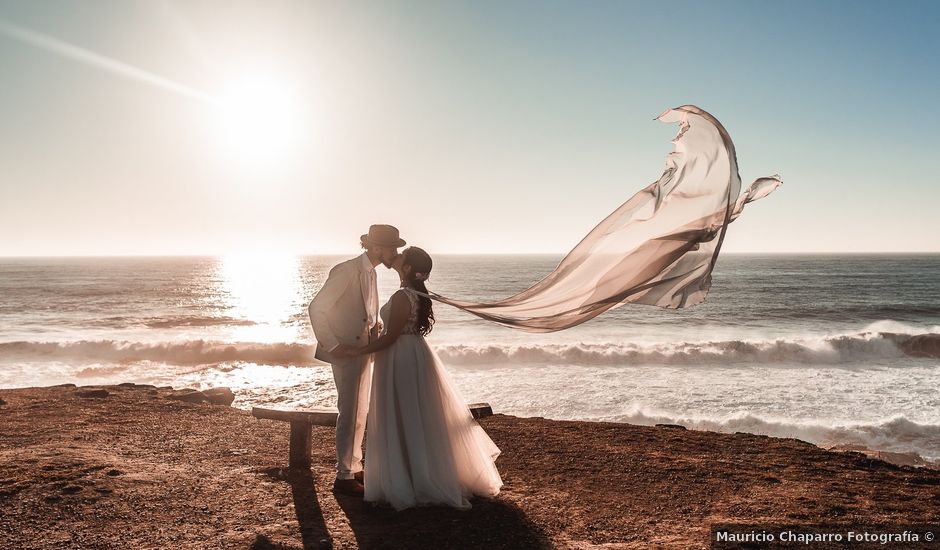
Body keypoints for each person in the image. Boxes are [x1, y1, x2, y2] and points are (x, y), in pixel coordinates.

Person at [334, 246, 503, 510]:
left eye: (403, 257)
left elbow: (391, 337)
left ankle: (411, 479)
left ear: (410, 268)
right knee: (414, 415)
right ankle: (414, 473)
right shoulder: (413, 294)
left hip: (400, 357)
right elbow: (396, 330)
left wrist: (358, 350)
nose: (398, 257)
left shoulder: (404, 296)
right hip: (410, 353)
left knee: (404, 414)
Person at [308, 224, 403, 496]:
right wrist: (334, 345)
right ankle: (343, 475)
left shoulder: (370, 273)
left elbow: (364, 313)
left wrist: (375, 329)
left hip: (363, 352)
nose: (395, 253)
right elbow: (317, 307)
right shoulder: (346, 270)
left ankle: (354, 466)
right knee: (349, 411)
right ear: (375, 247)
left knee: (360, 411)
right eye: (391, 247)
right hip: (346, 352)